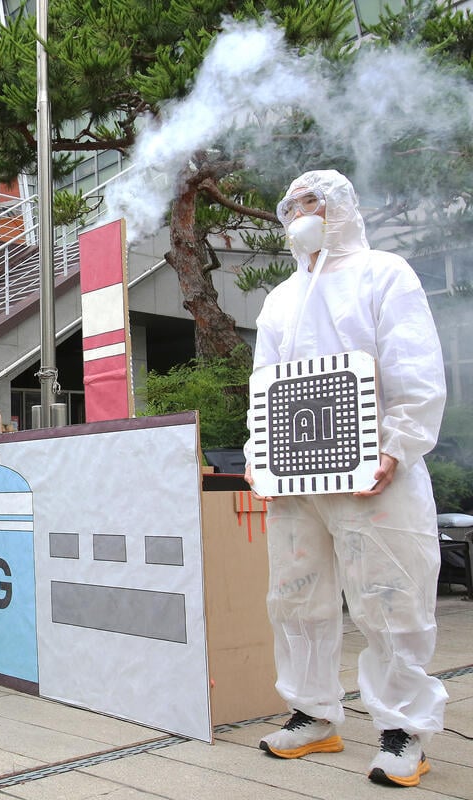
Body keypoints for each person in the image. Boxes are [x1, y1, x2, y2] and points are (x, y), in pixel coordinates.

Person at [244, 170, 447, 788]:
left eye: (310, 202)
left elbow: (412, 364)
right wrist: (260, 454)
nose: (297, 214)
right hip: (297, 481)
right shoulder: (280, 298)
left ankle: (404, 731)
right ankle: (313, 715)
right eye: (290, 206)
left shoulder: (386, 273)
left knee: (391, 598)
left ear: (341, 206)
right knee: (296, 597)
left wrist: (397, 445)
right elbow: (266, 388)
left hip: (373, 474)